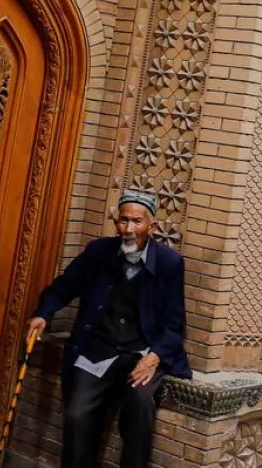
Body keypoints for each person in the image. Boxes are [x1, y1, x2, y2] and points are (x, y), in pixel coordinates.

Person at [27, 189, 190, 468]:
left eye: (136, 222)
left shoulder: (169, 263)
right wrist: (43, 313)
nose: (128, 229)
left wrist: (154, 357)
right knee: (77, 414)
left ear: (151, 227)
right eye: (123, 220)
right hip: (98, 349)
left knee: (139, 405)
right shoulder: (98, 252)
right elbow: (65, 285)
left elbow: (174, 323)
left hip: (140, 352)